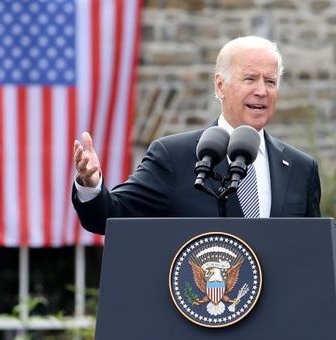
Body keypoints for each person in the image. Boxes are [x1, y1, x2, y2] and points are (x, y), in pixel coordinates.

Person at [73, 36, 321, 234]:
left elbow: (313, 249)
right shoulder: (174, 156)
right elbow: (112, 216)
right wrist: (91, 185)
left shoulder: (301, 168)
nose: (261, 91)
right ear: (220, 85)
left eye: (270, 81)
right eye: (250, 79)